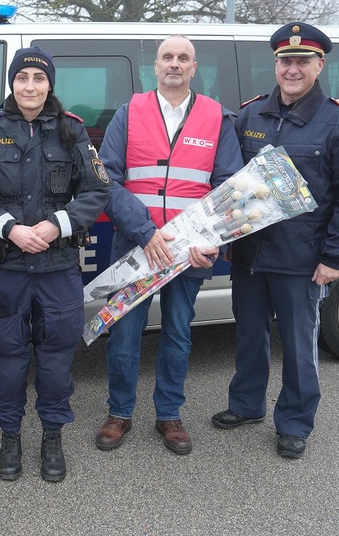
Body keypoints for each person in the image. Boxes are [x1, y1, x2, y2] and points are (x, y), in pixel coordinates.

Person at [211, 22, 339, 459]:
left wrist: (335, 256)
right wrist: (222, 237)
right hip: (249, 253)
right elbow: (230, 184)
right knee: (249, 335)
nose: (292, 69)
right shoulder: (250, 116)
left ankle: (295, 422)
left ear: (320, 65)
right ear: (275, 65)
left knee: (299, 346)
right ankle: (247, 405)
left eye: (303, 61)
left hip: (303, 258)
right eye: (286, 61)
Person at [0, 46, 109, 482]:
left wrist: (57, 224)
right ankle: (10, 436)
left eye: (38, 78)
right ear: (12, 83)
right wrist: (9, 229)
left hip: (57, 266)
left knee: (57, 360)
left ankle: (52, 436)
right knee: (6, 359)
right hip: (6, 267)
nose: (30, 86)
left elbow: (97, 190)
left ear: (49, 84)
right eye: (22, 77)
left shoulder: (71, 129)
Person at [95, 35, 243, 455]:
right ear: (155, 67)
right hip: (136, 245)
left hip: (188, 252)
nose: (174, 64)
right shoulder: (129, 112)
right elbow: (107, 178)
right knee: (124, 333)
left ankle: (169, 414)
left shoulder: (216, 117)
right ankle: (119, 413)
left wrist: (211, 242)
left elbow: (227, 187)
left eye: (183, 58)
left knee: (178, 333)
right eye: (167, 57)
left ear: (194, 68)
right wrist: (146, 233)